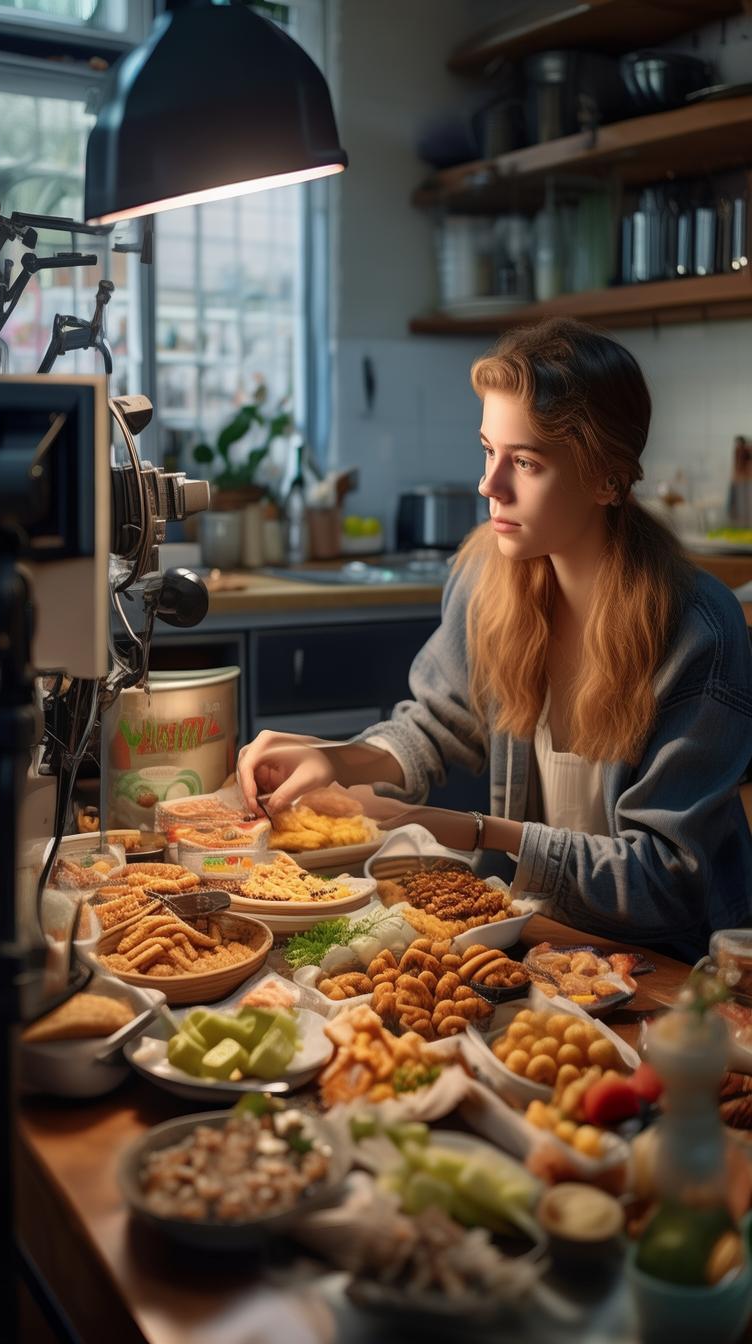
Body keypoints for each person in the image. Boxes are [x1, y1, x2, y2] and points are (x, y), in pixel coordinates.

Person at [237, 318, 752, 961]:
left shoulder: (697, 629)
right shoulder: (490, 574)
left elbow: (669, 882)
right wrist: (339, 760)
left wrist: (476, 830)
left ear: (608, 480)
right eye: (488, 451)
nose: (489, 485)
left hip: (672, 964)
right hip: (537, 942)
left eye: (526, 462)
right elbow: (437, 723)